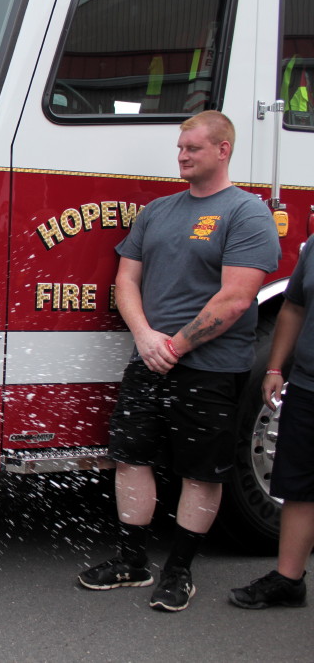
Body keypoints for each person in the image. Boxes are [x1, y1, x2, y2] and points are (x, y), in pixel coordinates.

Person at [77, 111, 281, 611]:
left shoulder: (247, 213)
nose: (182, 156)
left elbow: (236, 299)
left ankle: (180, 570)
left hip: (212, 367)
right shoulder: (158, 211)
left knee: (201, 473)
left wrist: (176, 346)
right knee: (130, 458)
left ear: (222, 150)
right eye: (180, 148)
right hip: (149, 357)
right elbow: (126, 281)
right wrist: (146, 337)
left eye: (192, 148)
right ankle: (131, 561)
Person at [228, 239, 314, 609]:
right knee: (298, 484)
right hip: (309, 385)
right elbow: (293, 308)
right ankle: (288, 580)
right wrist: (276, 367)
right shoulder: (313, 247)